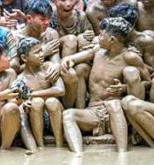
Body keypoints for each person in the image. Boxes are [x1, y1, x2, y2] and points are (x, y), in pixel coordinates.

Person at [60, 17, 149, 153]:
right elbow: (73, 58)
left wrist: (124, 88)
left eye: (101, 35)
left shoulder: (130, 57)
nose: (98, 37)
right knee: (68, 115)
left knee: (114, 103)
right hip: (94, 111)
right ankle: (77, 156)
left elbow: (148, 82)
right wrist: (67, 61)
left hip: (118, 110)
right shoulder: (98, 51)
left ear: (112, 40)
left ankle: (122, 154)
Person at [14, 37, 65, 149]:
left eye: (41, 50)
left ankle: (59, 144)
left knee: (52, 101)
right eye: (37, 52)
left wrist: (32, 94)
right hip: (36, 117)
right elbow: (22, 100)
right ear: (24, 58)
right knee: (37, 102)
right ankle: (40, 145)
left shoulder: (48, 67)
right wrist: (27, 101)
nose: (42, 54)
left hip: (54, 113)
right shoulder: (21, 79)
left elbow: (60, 90)